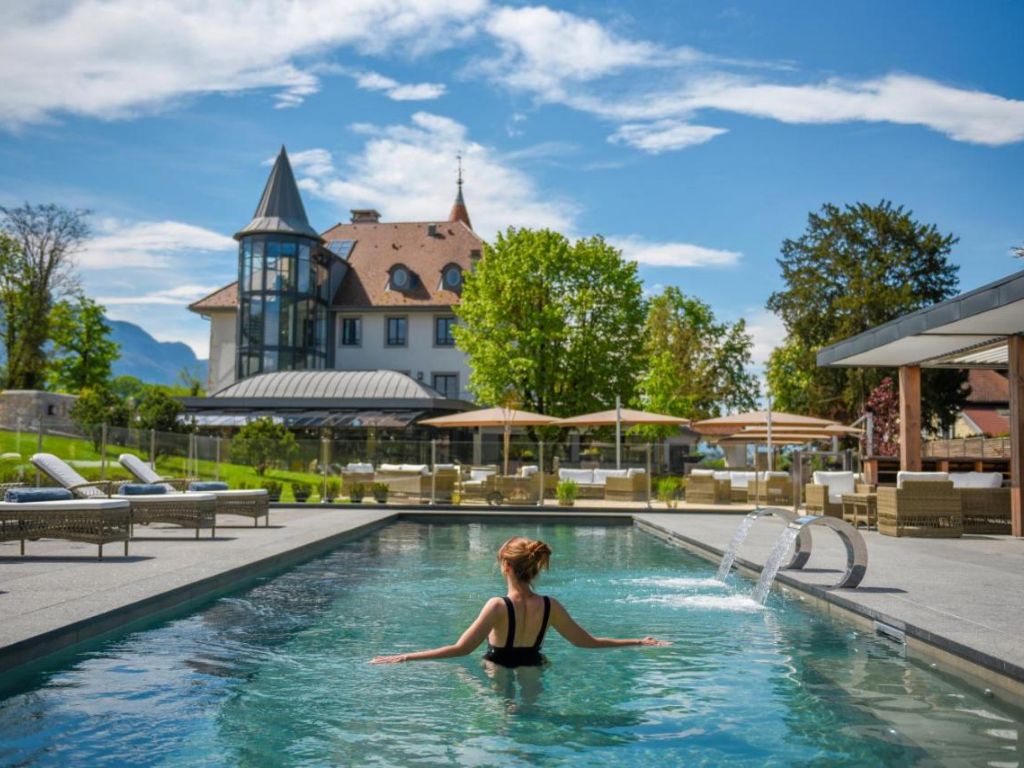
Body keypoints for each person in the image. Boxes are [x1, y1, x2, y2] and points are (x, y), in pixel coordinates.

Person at [371, 536, 670, 666]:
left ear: (507, 567)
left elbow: (460, 650)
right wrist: (637, 641)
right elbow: (586, 642)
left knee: (508, 723)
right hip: (534, 665)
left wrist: (407, 656)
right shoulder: (551, 605)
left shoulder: (497, 606)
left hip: (497, 668)